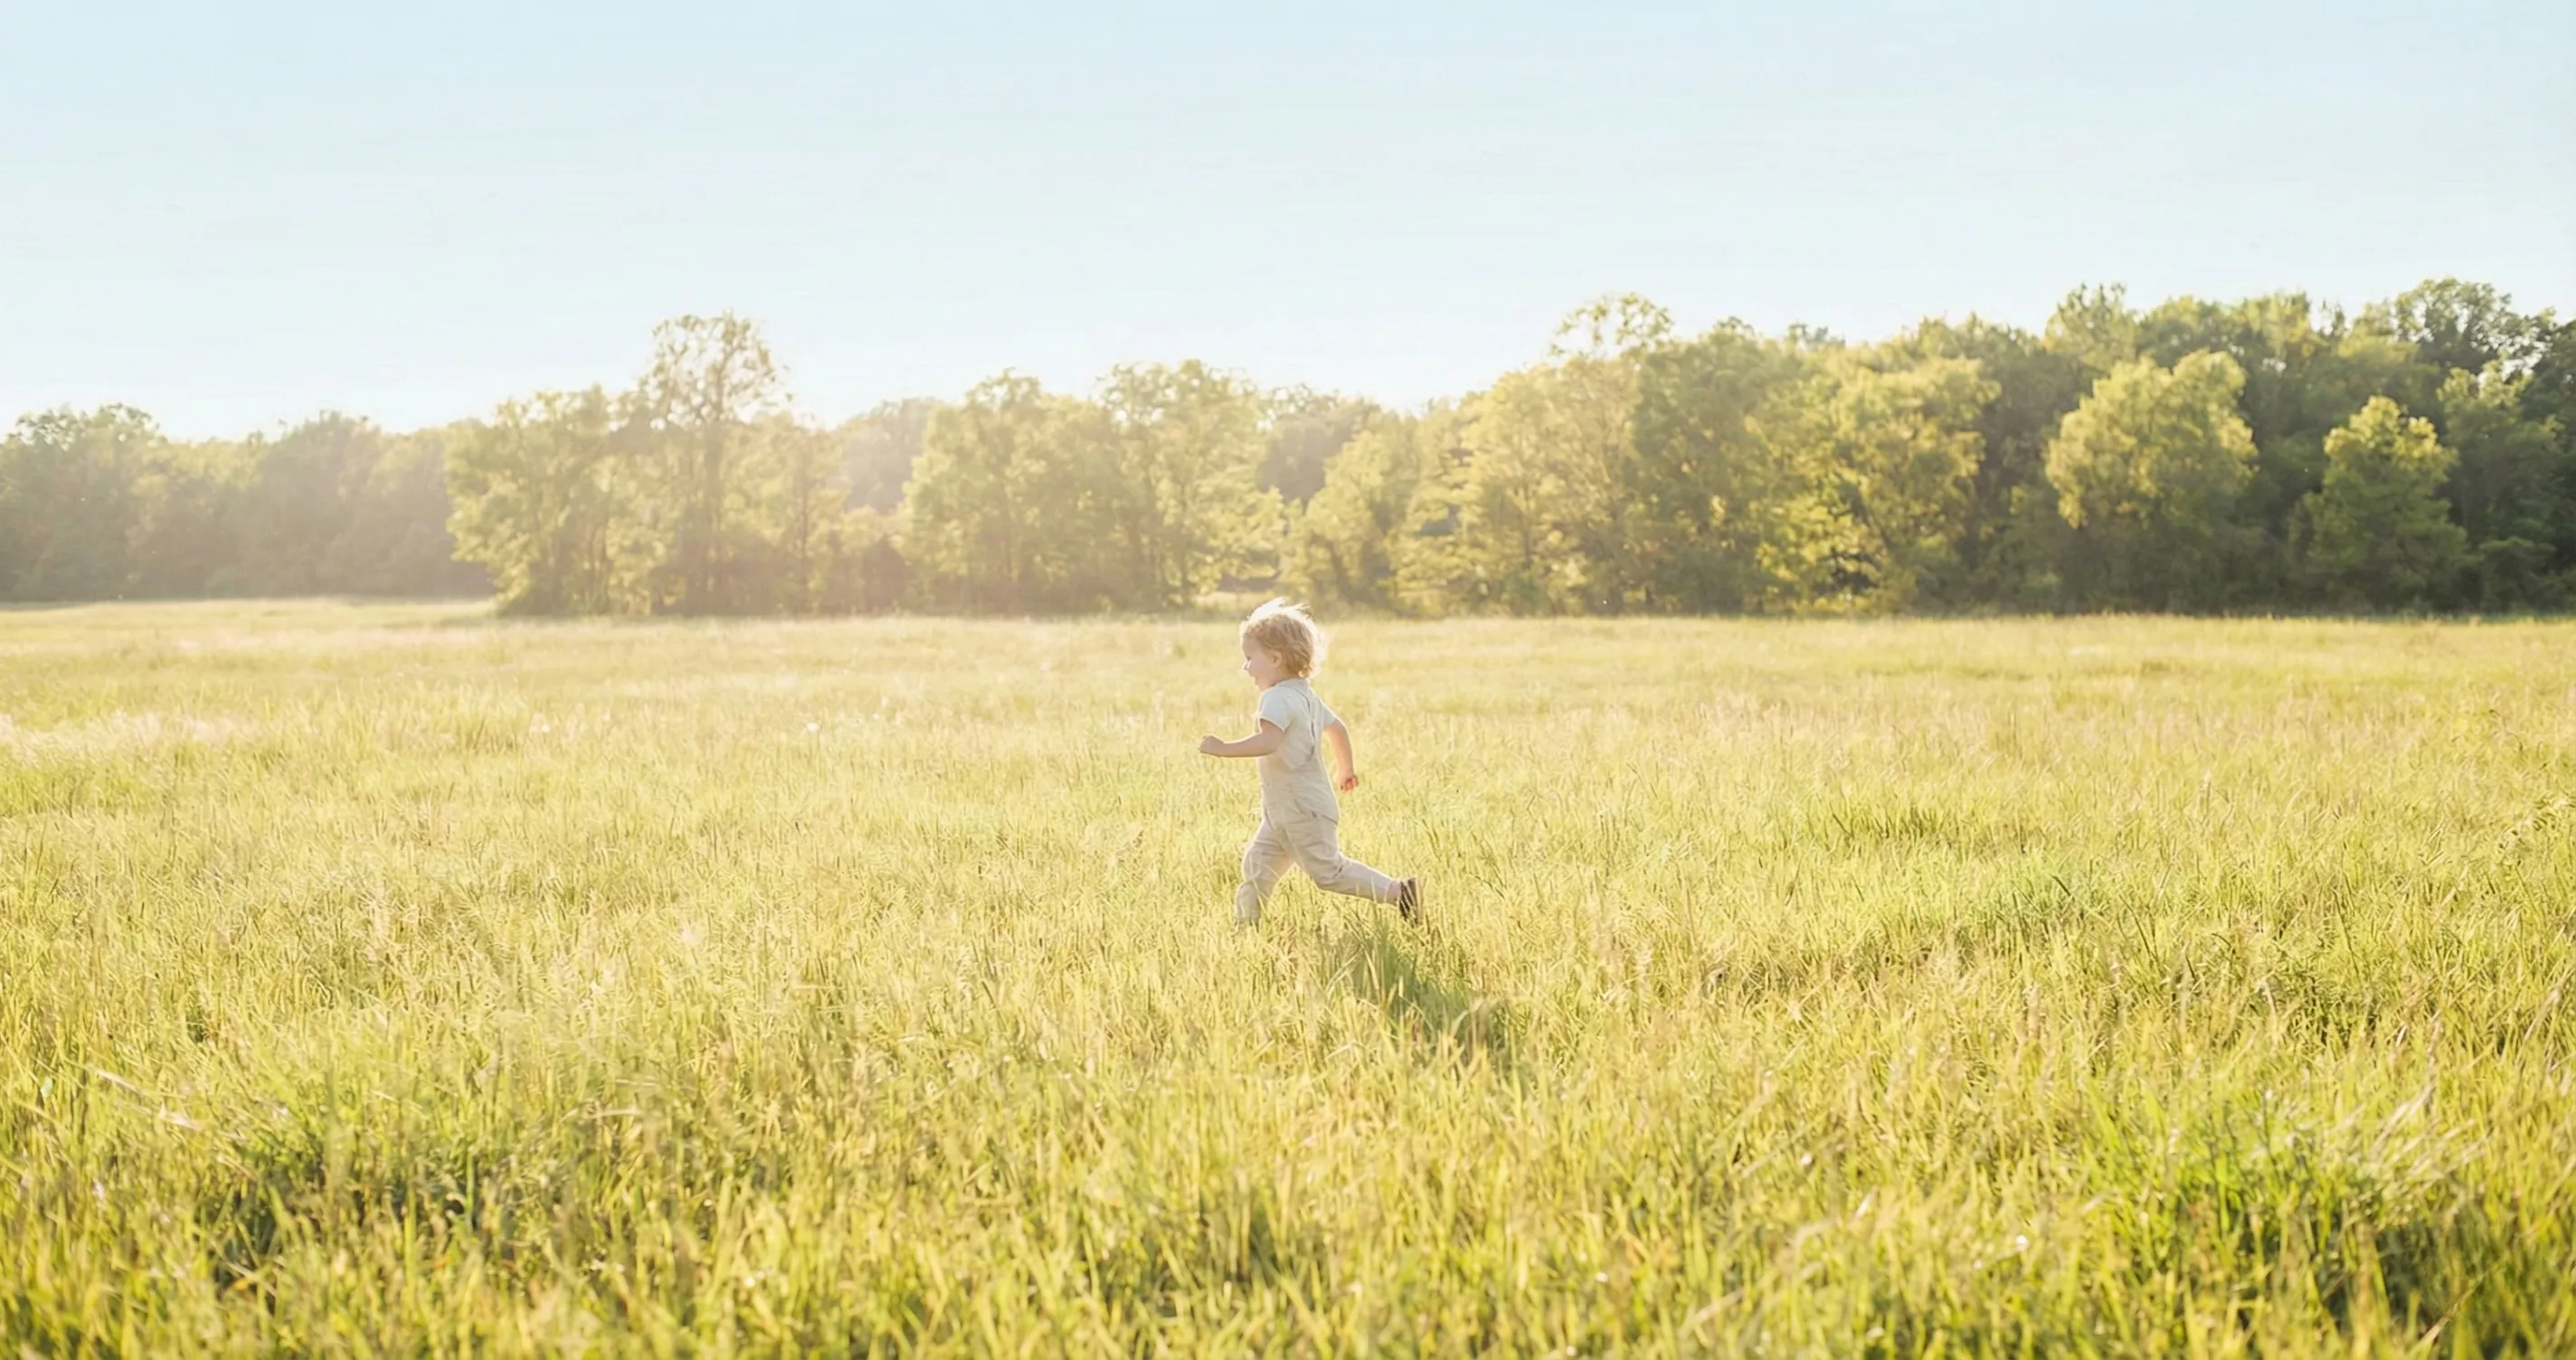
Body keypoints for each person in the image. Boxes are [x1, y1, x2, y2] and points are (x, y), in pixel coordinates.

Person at [1199, 599, 1421, 927]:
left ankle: (1399, 891)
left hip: (1300, 810)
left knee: (1329, 873)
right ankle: (1244, 930)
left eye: (1249, 659)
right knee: (1257, 868)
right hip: (1285, 811)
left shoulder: (1276, 698)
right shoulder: (1305, 694)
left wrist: (1222, 748)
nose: (1245, 668)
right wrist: (1346, 769)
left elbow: (1269, 742)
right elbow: (1337, 728)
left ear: (1274, 658)